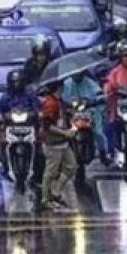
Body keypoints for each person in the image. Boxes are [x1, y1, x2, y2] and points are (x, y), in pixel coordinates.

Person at [0, 69, 40, 178]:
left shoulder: (29, 95)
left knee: (40, 143)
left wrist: (35, 114)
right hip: (10, 127)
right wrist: (1, 116)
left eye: (19, 81)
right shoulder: (6, 97)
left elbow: (37, 108)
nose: (17, 84)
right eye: (14, 82)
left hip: (28, 126)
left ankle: (37, 165)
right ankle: (0, 155)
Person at [39, 79, 77, 210]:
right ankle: (45, 199)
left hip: (63, 143)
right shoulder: (50, 104)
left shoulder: (59, 102)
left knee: (71, 166)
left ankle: (56, 191)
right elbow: (47, 125)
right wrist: (65, 133)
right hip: (53, 143)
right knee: (50, 172)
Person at [62, 68, 108, 164]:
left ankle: (103, 153)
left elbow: (99, 94)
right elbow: (62, 97)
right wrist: (66, 104)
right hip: (73, 113)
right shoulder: (67, 84)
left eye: (78, 73)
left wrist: (95, 100)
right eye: (74, 73)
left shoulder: (90, 83)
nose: (76, 75)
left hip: (90, 112)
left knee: (98, 133)